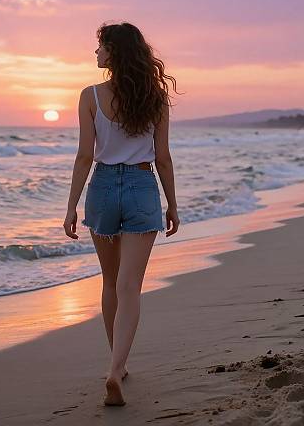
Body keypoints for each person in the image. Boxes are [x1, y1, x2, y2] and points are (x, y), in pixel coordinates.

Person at [63, 21, 180, 406]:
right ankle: (116, 368)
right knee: (130, 286)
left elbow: (84, 157)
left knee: (111, 282)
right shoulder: (155, 98)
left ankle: (117, 365)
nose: (96, 53)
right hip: (142, 187)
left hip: (102, 188)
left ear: (114, 51)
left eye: (100, 47)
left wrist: (71, 206)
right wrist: (172, 204)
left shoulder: (90, 96)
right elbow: (162, 158)